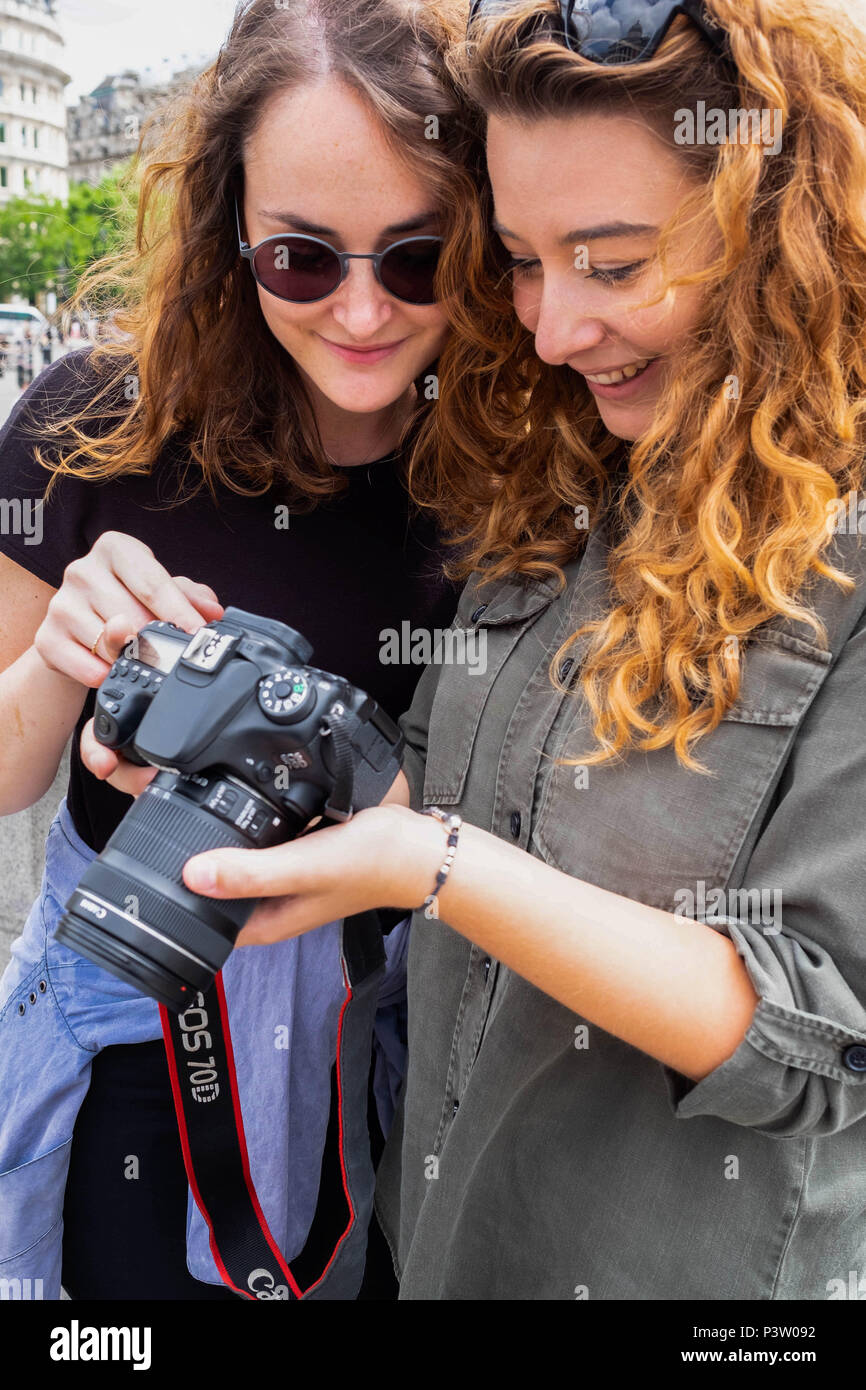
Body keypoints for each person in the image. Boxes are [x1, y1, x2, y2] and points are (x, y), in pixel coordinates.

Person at [92, 0, 866, 1299]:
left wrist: (438, 867)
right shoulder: (557, 475)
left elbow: (821, 1037)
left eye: (611, 265)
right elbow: (425, 791)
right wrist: (250, 728)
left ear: (771, 232)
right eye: (515, 258)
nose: (552, 329)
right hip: (431, 1241)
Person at [0, 0, 472, 1301]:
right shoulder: (89, 421)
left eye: (420, 257)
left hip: (383, 1045)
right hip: (130, 1036)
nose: (364, 312)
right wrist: (59, 661)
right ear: (230, 228)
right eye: (302, 260)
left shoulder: (515, 469)